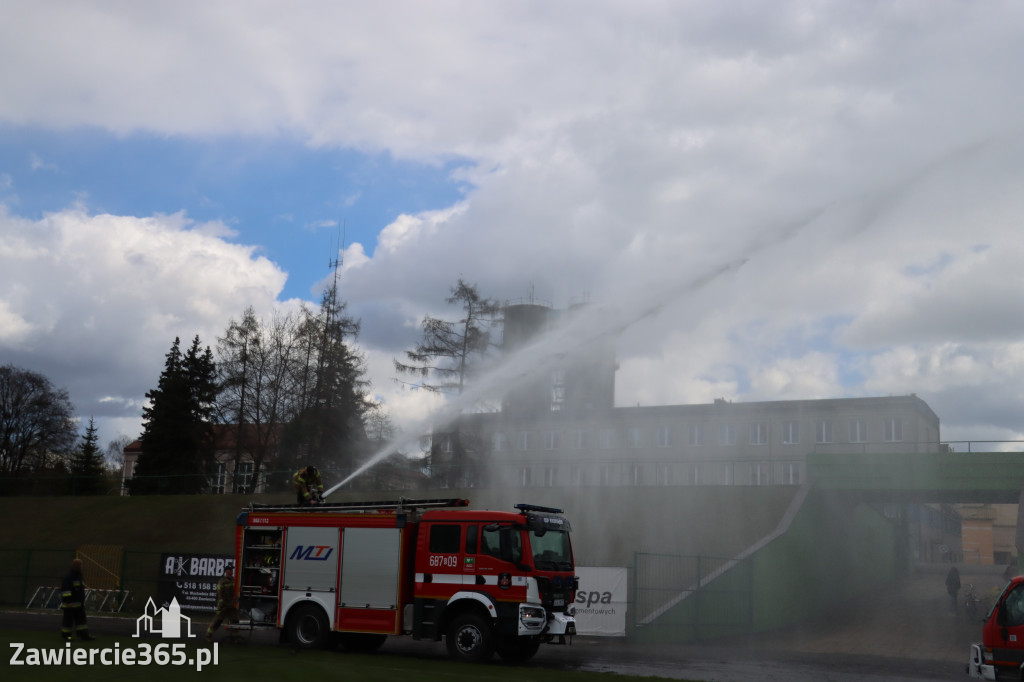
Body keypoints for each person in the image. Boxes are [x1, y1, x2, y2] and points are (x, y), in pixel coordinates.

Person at [60, 558, 94, 641]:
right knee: (68, 622)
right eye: (80, 565)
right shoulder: (69, 577)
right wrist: (68, 602)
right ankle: (67, 636)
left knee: (81, 621)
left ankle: (83, 635)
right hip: (70, 604)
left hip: (79, 604)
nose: (81, 567)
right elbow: (66, 591)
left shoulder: (79, 576)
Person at [205, 564, 238, 642]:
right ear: (226, 571)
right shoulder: (221, 581)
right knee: (218, 621)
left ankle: (234, 637)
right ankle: (208, 635)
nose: (231, 571)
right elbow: (219, 594)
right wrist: (221, 604)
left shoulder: (234, 580)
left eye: (232, 570)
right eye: (229, 570)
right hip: (223, 606)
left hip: (232, 605)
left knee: (235, 621)